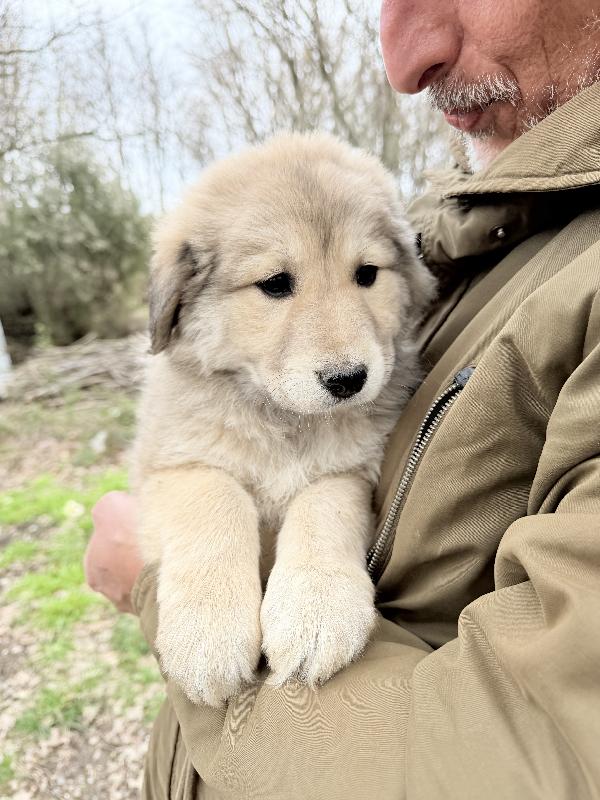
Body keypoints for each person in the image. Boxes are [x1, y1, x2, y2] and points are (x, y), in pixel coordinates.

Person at [85, 1, 600, 796]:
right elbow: (177, 468)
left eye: (366, 273)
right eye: (276, 283)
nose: (344, 350)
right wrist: (196, 549)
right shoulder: (495, 227)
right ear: (181, 300)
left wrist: (156, 586)